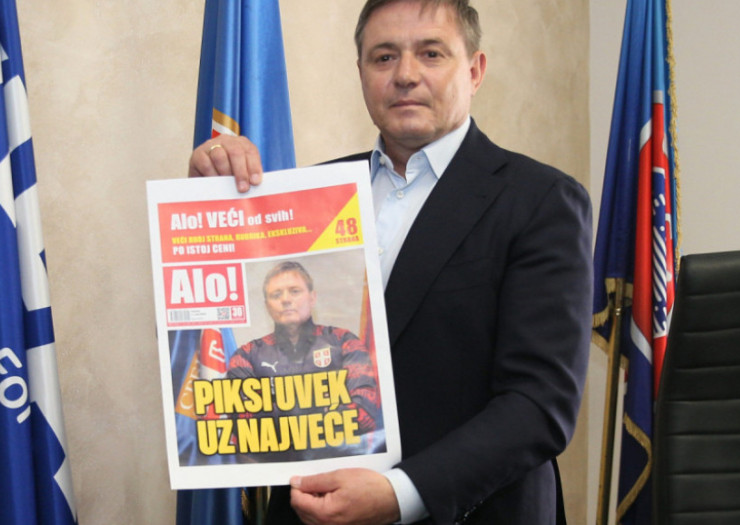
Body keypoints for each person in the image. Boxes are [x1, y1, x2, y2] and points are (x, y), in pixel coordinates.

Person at [188, 0, 592, 523]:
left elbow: (539, 404)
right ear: (361, 73)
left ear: (474, 70)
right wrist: (208, 207)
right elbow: (230, 335)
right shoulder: (309, 200)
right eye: (384, 57)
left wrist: (399, 494)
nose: (405, 75)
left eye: (431, 53)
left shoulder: (540, 201)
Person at [226, 261, 382, 461]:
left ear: (312, 297)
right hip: (274, 472)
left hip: (340, 466)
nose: (285, 300)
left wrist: (275, 407)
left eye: (294, 291)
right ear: (267, 306)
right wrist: (325, 408)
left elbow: (364, 415)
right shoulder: (246, 355)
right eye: (276, 294)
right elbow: (245, 426)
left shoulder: (344, 342)